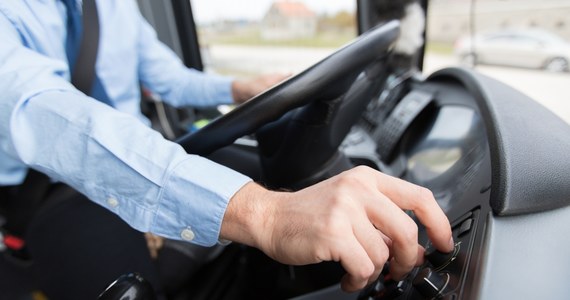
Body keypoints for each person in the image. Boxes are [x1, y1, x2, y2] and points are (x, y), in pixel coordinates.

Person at [0, 0, 454, 299]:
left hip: (141, 152)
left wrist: (242, 86)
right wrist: (266, 214)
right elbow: (46, 113)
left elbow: (172, 79)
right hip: (52, 189)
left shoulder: (115, 7)